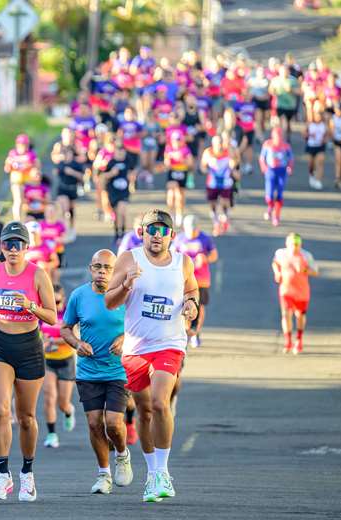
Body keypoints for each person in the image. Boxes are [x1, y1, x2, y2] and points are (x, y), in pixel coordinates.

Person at [105, 209, 199, 504]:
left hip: (170, 343)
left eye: (163, 230)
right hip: (136, 348)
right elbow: (110, 301)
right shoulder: (128, 260)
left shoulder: (183, 262)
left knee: (160, 402)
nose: (157, 235)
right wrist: (126, 284)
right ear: (142, 232)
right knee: (144, 411)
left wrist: (191, 304)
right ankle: (151, 473)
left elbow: (191, 288)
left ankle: (163, 472)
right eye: (151, 229)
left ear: (172, 235)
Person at [0, 221, 57, 502]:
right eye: (8, 244)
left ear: (27, 247)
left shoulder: (38, 275)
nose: (13, 249)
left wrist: (29, 305)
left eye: (19, 244)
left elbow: (52, 317)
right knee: (0, 409)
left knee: (26, 417)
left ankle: (27, 475)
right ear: (1, 247)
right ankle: (2, 475)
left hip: (29, 348)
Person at [61, 250, 134, 495]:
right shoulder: (79, 296)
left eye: (108, 268)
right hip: (88, 371)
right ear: (90, 269)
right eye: (97, 267)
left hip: (118, 370)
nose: (102, 272)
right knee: (94, 423)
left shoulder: (126, 295)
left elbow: (140, 327)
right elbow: (65, 328)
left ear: (116, 271)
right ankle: (104, 474)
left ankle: (122, 455)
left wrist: (125, 338)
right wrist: (77, 344)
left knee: (113, 424)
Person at [173, 216, 217, 349]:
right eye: (189, 230)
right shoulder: (179, 239)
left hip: (201, 279)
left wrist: (205, 258)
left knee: (200, 306)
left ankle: (196, 332)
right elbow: (171, 256)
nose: (191, 233)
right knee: (185, 305)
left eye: (193, 230)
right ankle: (187, 331)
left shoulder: (205, 238)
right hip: (184, 278)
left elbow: (214, 255)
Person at [40, 284, 75, 449]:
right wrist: (42, 341)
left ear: (63, 298)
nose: (55, 303)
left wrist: (52, 341)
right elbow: (38, 333)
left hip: (66, 360)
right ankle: (51, 434)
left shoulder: (69, 313)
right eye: (52, 300)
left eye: (58, 300)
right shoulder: (44, 312)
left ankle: (68, 411)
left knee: (62, 402)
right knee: (49, 397)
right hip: (48, 361)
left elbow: (74, 336)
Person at [272, 233, 319, 354]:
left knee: (299, 316)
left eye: (297, 244)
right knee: (286, 314)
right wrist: (277, 273)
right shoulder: (281, 253)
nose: (295, 247)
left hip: (302, 292)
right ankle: (288, 341)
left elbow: (315, 272)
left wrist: (305, 270)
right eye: (292, 244)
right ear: (287, 244)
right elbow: (275, 263)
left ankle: (299, 340)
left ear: (300, 244)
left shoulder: (306, 255)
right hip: (286, 290)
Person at [200, 135, 238, 236]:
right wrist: (206, 170)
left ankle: (225, 217)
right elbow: (202, 166)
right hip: (212, 182)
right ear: (213, 144)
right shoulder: (208, 152)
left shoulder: (228, 152)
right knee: (212, 203)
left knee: (224, 201)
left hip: (226, 181)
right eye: (217, 144)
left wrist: (233, 166)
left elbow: (234, 163)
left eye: (221, 143)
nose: (219, 146)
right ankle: (216, 223)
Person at [259, 127, 294, 227]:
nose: (278, 138)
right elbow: (262, 158)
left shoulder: (286, 146)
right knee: (269, 195)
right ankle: (270, 207)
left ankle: (276, 216)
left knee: (279, 194)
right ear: (272, 136)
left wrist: (290, 167)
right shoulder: (267, 144)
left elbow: (291, 158)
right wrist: (264, 167)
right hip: (270, 171)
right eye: (276, 135)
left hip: (281, 171)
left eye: (280, 135)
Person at [5, 134, 40, 221]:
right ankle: (17, 220)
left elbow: (36, 166)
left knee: (27, 202)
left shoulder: (31, 154)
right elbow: (7, 169)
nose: (23, 147)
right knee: (18, 200)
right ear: (17, 145)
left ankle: (25, 219)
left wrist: (33, 170)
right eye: (21, 144)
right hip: (16, 181)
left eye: (25, 144)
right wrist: (9, 164)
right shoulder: (12, 154)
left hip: (28, 181)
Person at [161, 132, 194, 222]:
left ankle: (179, 213)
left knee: (180, 195)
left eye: (178, 140)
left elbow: (190, 164)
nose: (177, 142)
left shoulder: (186, 150)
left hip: (182, 172)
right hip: (172, 172)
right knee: (171, 194)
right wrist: (168, 160)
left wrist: (182, 160)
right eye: (175, 140)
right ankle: (171, 213)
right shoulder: (168, 149)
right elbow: (166, 163)